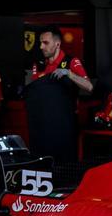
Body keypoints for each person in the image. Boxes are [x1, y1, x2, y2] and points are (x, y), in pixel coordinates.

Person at [25, 26, 91, 166]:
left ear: (57, 44)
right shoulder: (39, 65)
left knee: (64, 165)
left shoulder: (71, 61)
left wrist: (69, 73)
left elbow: (89, 86)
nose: (41, 46)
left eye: (45, 43)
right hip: (43, 126)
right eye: (40, 43)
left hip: (64, 126)